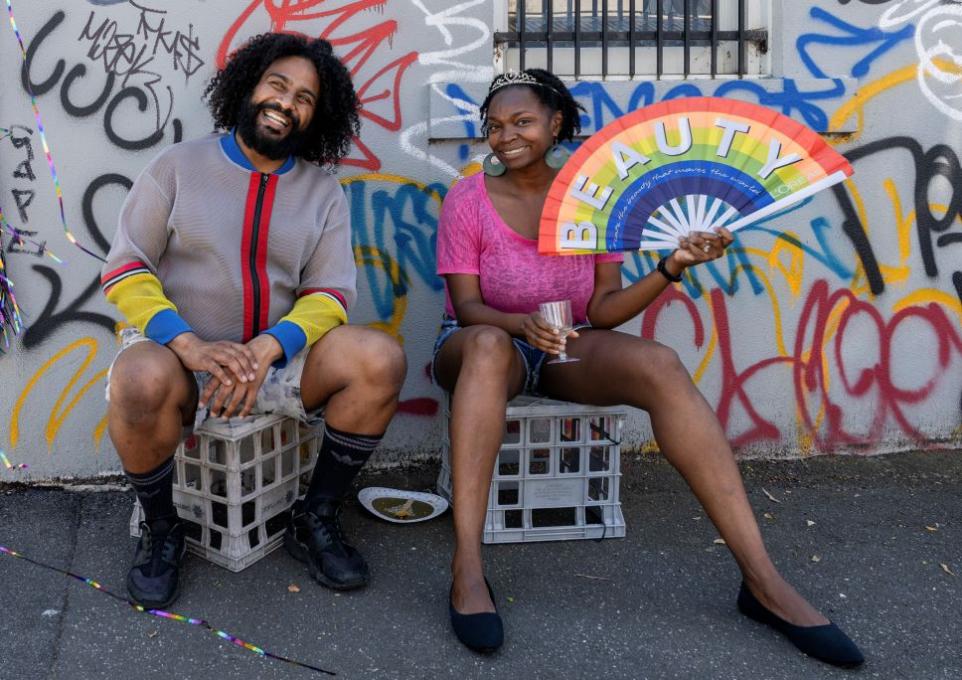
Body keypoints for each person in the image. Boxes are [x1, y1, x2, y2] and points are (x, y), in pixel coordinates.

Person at [433, 69, 864, 667]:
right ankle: (468, 570)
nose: (505, 135)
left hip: (565, 344)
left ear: (556, 123)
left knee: (659, 363)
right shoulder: (469, 197)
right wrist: (518, 324)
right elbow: (467, 306)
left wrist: (672, 266)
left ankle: (764, 583)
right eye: (495, 126)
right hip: (481, 346)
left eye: (522, 121)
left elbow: (603, 312)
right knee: (484, 347)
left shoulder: (589, 196)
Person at [101, 33, 406, 609]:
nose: (287, 102)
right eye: (278, 85)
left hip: (275, 364)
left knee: (379, 358)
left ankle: (313, 519)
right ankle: (164, 530)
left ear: (318, 115)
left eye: (306, 98)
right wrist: (186, 344)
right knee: (135, 380)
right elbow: (126, 269)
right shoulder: (177, 166)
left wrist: (271, 345)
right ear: (248, 85)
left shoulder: (321, 192)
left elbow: (331, 293)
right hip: (180, 360)